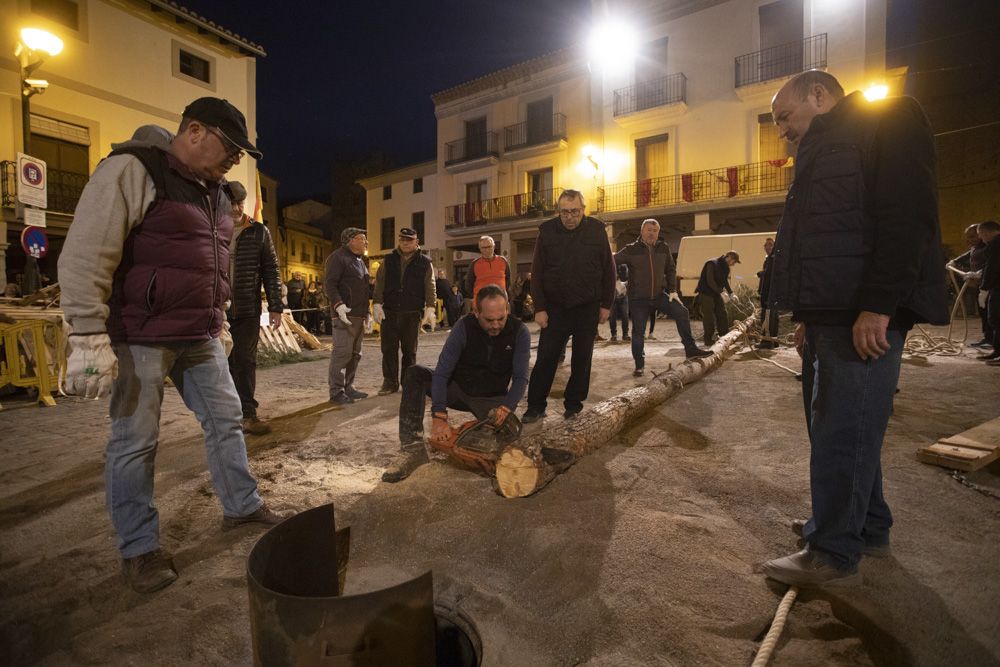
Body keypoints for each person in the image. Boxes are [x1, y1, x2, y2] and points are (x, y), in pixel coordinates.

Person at [58, 98, 289, 594]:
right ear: (195, 131)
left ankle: (241, 507)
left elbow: (214, 263)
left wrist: (219, 317)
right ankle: (139, 549)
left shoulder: (217, 192)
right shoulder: (133, 169)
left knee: (226, 421)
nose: (235, 158)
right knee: (134, 442)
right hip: (140, 336)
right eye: (231, 147)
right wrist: (86, 332)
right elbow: (86, 250)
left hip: (199, 336)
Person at [761, 71, 949, 587]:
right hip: (829, 314)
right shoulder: (818, 147)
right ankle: (866, 526)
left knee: (843, 432)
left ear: (819, 95)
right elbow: (814, 236)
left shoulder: (890, 120)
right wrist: (805, 316)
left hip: (859, 316)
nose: (781, 130)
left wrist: (877, 305)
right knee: (843, 428)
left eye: (784, 117)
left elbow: (907, 218)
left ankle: (831, 551)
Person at [384, 284, 531, 482]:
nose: (496, 325)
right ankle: (412, 450)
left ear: (508, 311)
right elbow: (442, 373)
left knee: (510, 447)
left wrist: (507, 407)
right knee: (414, 374)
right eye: (489, 320)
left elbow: (521, 378)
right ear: (476, 311)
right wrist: (439, 415)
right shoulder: (462, 327)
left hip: (491, 399)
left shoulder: (520, 331)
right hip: (457, 389)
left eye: (501, 319)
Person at [522, 189, 615, 422]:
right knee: (546, 358)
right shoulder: (547, 231)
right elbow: (538, 272)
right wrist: (540, 308)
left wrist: (606, 304)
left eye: (575, 212)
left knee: (582, 359)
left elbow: (608, 270)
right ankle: (535, 406)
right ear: (558, 211)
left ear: (584, 210)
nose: (570, 217)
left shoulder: (596, 229)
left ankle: (574, 405)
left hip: (587, 307)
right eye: (564, 212)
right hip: (555, 308)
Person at [616, 219, 713, 375]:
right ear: (642, 231)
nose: (652, 233)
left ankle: (691, 349)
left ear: (658, 233)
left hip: (659, 295)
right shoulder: (631, 249)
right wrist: (617, 281)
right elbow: (611, 262)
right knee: (638, 332)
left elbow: (670, 269)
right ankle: (639, 365)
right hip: (638, 299)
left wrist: (673, 290)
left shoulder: (663, 248)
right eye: (649, 230)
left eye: (655, 231)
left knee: (682, 312)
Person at [225, 180, 283, 436]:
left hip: (247, 309)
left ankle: (248, 414)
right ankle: (227, 416)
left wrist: (276, 306)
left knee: (245, 361)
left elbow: (271, 269)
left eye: (240, 202)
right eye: (231, 202)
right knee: (220, 364)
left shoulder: (259, 231)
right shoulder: (210, 229)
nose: (236, 208)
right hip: (216, 311)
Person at [372, 227, 436, 394]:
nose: (406, 243)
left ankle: (408, 382)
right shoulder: (388, 259)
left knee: (409, 350)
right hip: (390, 311)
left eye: (409, 240)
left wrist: (430, 306)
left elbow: (430, 285)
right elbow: (380, 281)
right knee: (388, 349)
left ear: (417, 242)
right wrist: (377, 303)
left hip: (412, 312)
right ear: (399, 241)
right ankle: (389, 382)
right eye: (402, 240)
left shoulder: (425, 262)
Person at [325, 227, 371, 404]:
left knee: (355, 354)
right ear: (350, 240)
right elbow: (329, 284)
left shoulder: (359, 260)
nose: (366, 242)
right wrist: (339, 305)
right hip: (344, 315)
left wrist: (366, 312)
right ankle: (336, 391)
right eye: (362, 239)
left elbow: (363, 289)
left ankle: (348, 387)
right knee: (342, 353)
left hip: (358, 315)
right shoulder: (338, 258)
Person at [947, 223, 992, 348]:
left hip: (990, 285)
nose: (970, 240)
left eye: (973, 236)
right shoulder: (975, 248)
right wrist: (955, 261)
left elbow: (992, 264)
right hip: (979, 284)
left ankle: (993, 339)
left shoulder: (989, 247)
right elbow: (967, 255)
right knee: (983, 312)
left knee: (992, 314)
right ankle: (988, 337)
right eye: (968, 237)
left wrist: (980, 273)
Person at [695, 252, 740, 345]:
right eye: (734, 262)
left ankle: (724, 337)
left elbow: (724, 281)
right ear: (729, 258)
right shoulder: (712, 263)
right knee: (709, 317)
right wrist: (721, 292)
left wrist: (731, 293)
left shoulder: (726, 267)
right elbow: (710, 280)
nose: (734, 264)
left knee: (722, 313)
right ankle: (708, 340)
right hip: (706, 293)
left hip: (716, 293)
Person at [976, 220, 1000, 364]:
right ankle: (997, 351)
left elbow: (993, 268)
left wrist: (984, 288)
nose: (981, 239)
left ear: (986, 232)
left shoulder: (995, 245)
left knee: (996, 318)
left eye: (981, 235)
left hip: (998, 288)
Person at [465, 235, 511, 304]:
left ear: (494, 247)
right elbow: (468, 284)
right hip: (481, 304)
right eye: (483, 248)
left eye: (489, 246)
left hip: (500, 302)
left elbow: (508, 279)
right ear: (480, 249)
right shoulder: (475, 264)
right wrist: (477, 297)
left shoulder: (503, 261)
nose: (486, 250)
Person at [757, 237, 779, 349]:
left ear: (775, 246)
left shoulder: (773, 259)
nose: (768, 247)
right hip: (769, 293)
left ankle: (766, 341)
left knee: (767, 316)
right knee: (773, 316)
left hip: (770, 293)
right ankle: (774, 341)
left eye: (770, 245)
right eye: (766, 245)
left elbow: (771, 275)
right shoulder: (770, 258)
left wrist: (761, 273)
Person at [609, 264, 629, 343]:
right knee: (612, 316)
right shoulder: (610, 265)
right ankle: (614, 335)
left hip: (623, 295)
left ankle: (625, 334)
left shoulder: (624, 266)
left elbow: (627, 279)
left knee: (625, 315)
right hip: (612, 296)